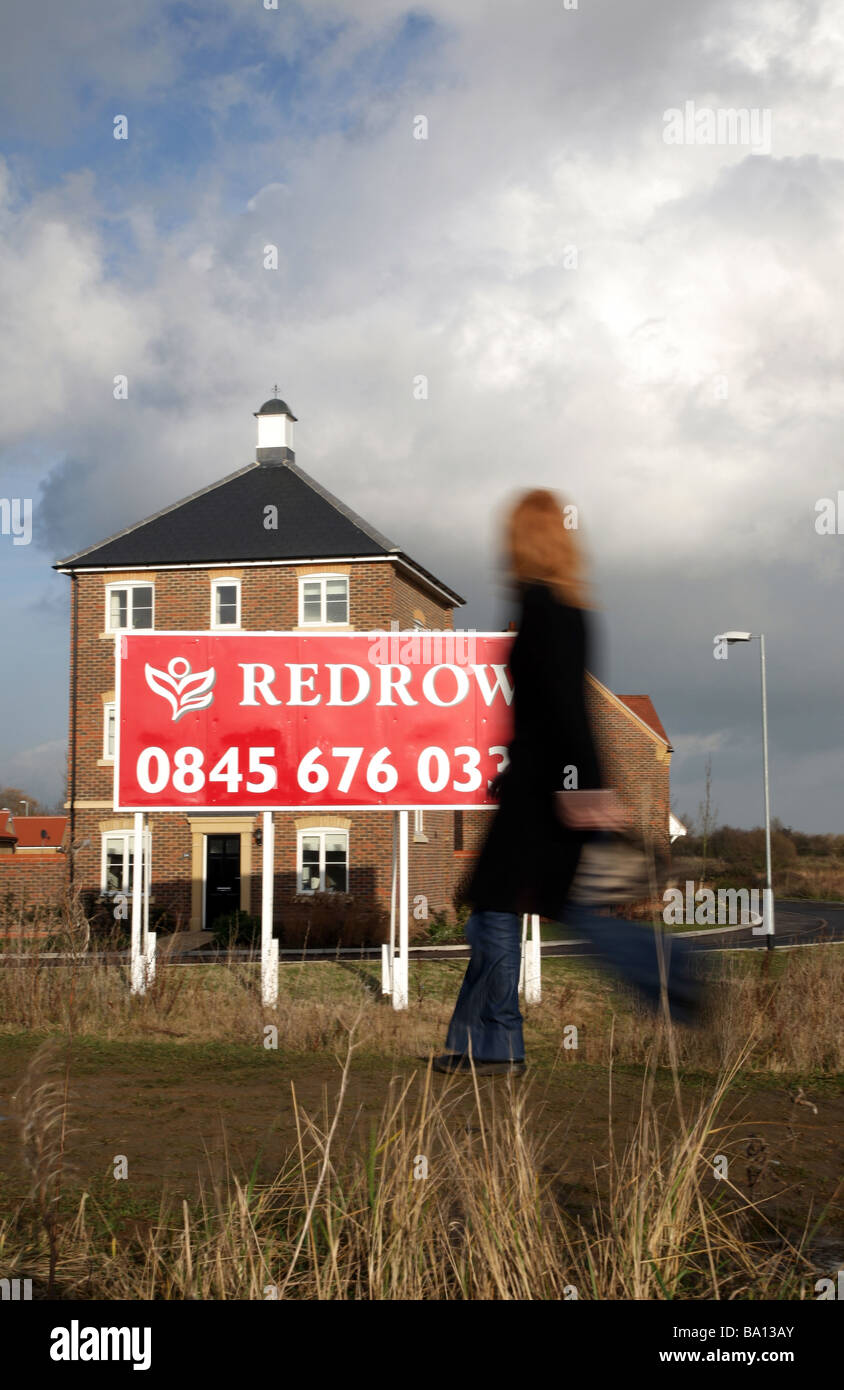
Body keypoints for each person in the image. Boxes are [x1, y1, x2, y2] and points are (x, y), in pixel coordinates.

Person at [432, 489, 702, 1077]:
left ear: (524, 539)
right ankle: (484, 1045)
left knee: (513, 915)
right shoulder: (569, 607)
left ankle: (671, 968)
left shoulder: (544, 609)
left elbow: (565, 708)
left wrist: (583, 793)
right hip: (542, 788)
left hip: (548, 796)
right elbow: (555, 709)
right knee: (502, 916)